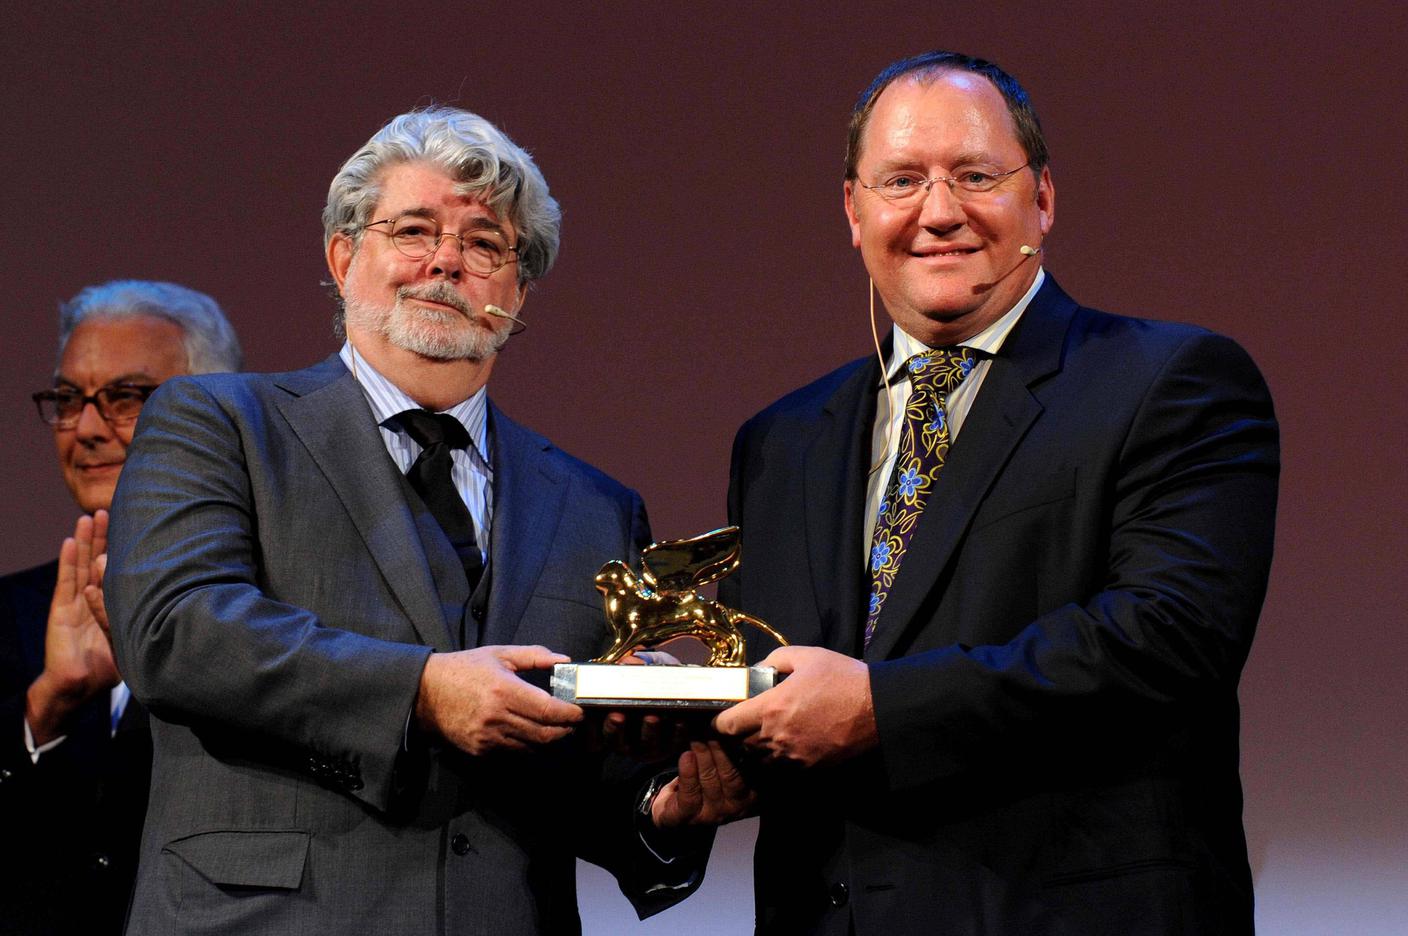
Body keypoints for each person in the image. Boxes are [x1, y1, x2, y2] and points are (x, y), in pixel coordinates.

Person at [104, 107, 711, 935]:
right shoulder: (220, 423)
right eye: (413, 230)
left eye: (485, 245)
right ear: (344, 256)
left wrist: (665, 805)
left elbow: (573, 776)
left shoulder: (596, 509)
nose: (446, 263)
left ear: (519, 289)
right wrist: (420, 693)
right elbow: (177, 632)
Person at [711, 51, 1279, 934]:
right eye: (901, 180)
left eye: (976, 175)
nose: (940, 212)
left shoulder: (1169, 380)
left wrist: (880, 712)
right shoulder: (781, 443)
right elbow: (779, 688)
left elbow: (1167, 642)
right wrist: (682, 728)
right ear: (854, 213)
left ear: (1042, 199)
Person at [0, 280, 242, 934]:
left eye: (126, 398)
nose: (85, 429)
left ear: (215, 412)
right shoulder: (7, 614)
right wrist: (45, 706)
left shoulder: (272, 613)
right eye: (69, 399)